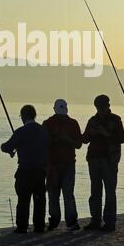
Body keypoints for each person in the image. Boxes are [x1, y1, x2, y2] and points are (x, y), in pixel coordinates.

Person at [1, 105, 49, 234]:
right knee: (39, 199)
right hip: (40, 171)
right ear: (35, 115)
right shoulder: (44, 131)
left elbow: (5, 147)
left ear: (23, 116)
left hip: (25, 171)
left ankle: (22, 227)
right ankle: (39, 226)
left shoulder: (21, 131)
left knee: (23, 200)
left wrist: (10, 149)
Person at [82, 95, 124, 232]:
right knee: (95, 192)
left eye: (103, 107)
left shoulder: (116, 120)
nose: (101, 110)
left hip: (109, 161)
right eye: (98, 107)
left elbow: (122, 139)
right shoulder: (92, 121)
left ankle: (110, 222)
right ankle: (95, 220)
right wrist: (91, 132)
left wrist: (106, 134)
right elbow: (84, 139)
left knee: (110, 192)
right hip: (94, 160)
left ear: (108, 106)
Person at [43, 99, 82, 231]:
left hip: (66, 164)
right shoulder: (48, 124)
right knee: (55, 194)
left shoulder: (71, 123)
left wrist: (67, 140)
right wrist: (56, 139)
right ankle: (56, 220)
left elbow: (78, 144)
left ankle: (69, 221)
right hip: (54, 165)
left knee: (66, 194)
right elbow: (44, 143)